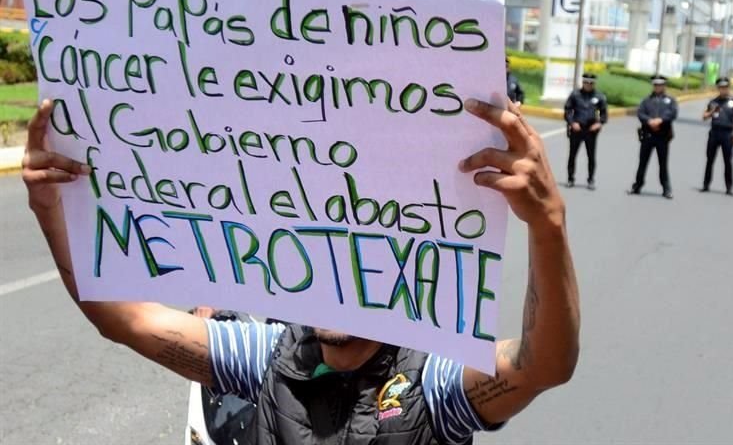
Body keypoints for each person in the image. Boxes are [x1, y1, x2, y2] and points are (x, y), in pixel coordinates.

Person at [22, 98, 580, 445]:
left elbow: (542, 365)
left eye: (360, 261)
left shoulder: (431, 384)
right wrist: (50, 211)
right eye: (321, 259)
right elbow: (124, 320)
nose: (332, 284)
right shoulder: (267, 357)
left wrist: (547, 224)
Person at [630, 75, 677, 199]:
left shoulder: (670, 100)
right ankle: (637, 186)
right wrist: (649, 121)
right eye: (655, 85)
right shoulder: (647, 100)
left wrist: (660, 120)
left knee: (663, 164)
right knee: (642, 163)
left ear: (664, 86)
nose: (657, 87)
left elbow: (673, 113)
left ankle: (666, 189)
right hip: (648, 135)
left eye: (660, 85)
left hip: (662, 136)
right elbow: (640, 113)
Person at [701, 77, 733, 196]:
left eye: (725, 87)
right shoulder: (713, 102)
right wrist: (711, 112)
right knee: (710, 160)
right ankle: (706, 184)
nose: (723, 89)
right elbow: (704, 116)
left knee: (727, 161)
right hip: (714, 133)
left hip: (727, 134)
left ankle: (729, 187)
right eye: (721, 87)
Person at [564, 72, 608, 190]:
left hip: (591, 130)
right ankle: (570, 178)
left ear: (594, 84)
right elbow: (568, 110)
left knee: (591, 156)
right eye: (586, 82)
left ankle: (591, 180)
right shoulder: (575, 94)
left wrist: (599, 123)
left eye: (591, 83)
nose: (588, 84)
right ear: (583, 82)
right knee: (572, 155)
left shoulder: (599, 96)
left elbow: (604, 114)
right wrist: (572, 123)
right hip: (577, 129)